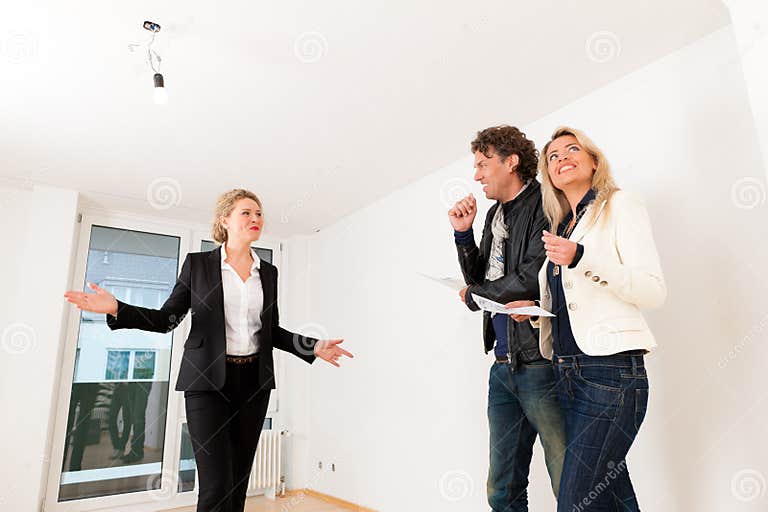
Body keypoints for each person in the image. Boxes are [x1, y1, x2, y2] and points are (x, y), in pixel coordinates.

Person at [64, 188, 353, 512]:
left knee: (237, 484)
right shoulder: (198, 266)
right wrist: (117, 307)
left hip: (253, 385)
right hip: (207, 385)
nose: (255, 218)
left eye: (259, 213)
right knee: (215, 486)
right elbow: (166, 319)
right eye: (246, 212)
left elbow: (270, 331)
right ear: (224, 220)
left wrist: (313, 347)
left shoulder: (268, 273)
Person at [507, 127, 666, 511]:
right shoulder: (562, 227)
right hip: (567, 373)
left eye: (572, 149)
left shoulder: (620, 205)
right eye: (553, 156)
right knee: (610, 495)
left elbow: (652, 290)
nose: (561, 158)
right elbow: (573, 305)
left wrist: (582, 257)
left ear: (594, 161)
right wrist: (533, 314)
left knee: (575, 500)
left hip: (610, 372)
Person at [449, 125, 566, 511]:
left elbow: (533, 273)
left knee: (568, 476)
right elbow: (481, 281)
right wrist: (463, 235)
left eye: (483, 164)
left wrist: (476, 296)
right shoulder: (494, 217)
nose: (477, 174)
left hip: (540, 364)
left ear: (511, 162)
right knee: (502, 487)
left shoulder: (544, 203)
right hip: (502, 366)